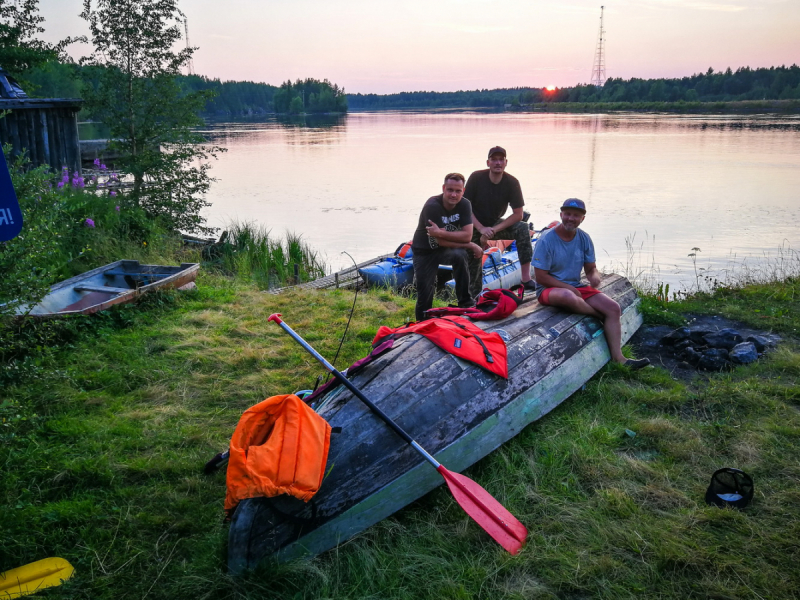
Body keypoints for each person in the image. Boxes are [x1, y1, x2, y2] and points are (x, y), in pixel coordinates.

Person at [532, 198, 650, 370]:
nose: (571, 218)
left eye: (576, 215)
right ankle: (597, 315)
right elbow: (540, 277)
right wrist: (569, 288)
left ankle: (619, 359)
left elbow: (591, 269)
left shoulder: (584, 238)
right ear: (561, 215)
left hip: (576, 286)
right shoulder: (546, 240)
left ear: (583, 218)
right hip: (548, 290)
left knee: (613, 308)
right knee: (568, 296)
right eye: (567, 214)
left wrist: (595, 277)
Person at [465, 146, 535, 300]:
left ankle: (526, 279)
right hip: (473, 224)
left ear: (506, 162)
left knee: (523, 228)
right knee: (474, 260)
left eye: (501, 159)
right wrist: (481, 229)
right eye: (494, 159)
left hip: (494, 224)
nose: (498, 162)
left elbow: (518, 214)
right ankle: (474, 296)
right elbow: (465, 208)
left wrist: (493, 230)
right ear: (488, 162)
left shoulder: (512, 182)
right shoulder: (476, 178)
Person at [411, 173, 483, 322]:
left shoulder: (465, 204)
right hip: (424, 251)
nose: (453, 194)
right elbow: (440, 241)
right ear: (443, 188)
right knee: (425, 293)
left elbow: (467, 235)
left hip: (444, 249)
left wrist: (444, 234)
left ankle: (465, 302)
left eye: (458, 191)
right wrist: (469, 244)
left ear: (463, 191)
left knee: (460, 255)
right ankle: (422, 322)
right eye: (450, 190)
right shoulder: (432, 206)